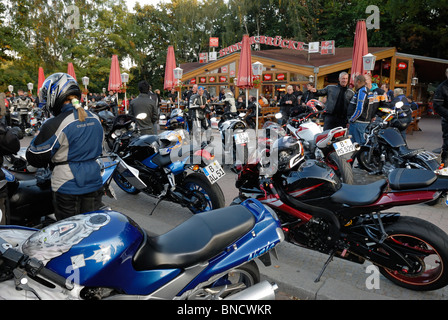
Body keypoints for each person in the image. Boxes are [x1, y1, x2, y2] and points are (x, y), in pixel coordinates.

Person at [26, 73, 104, 221]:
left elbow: (35, 157)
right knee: (91, 230)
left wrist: (38, 135)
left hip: (67, 185)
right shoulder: (95, 119)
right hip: (94, 180)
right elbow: (100, 147)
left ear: (54, 95)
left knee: (68, 233)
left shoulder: (55, 123)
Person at [347, 75, 371, 144]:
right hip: (363, 121)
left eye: (354, 82)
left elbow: (359, 108)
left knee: (356, 145)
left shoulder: (362, 91)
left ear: (358, 81)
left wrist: (352, 119)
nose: (354, 84)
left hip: (359, 122)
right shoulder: (367, 91)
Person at [433, 68, 448, 165]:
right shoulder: (442, 87)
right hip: (447, 120)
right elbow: (437, 106)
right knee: (447, 143)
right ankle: (445, 163)